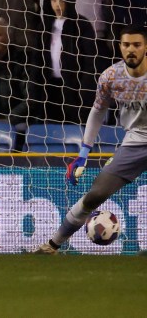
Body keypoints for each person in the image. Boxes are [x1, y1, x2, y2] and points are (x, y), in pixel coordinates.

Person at [34, 25, 147, 255]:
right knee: (95, 195)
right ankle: (52, 245)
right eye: (126, 45)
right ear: (120, 47)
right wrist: (83, 153)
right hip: (135, 141)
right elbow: (97, 112)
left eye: (137, 45)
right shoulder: (111, 77)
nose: (131, 50)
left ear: (146, 47)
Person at [32, 0, 98, 125]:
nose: (57, 4)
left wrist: (83, 94)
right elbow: (36, 61)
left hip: (73, 90)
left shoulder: (81, 25)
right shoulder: (44, 27)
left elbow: (89, 63)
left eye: (61, 0)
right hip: (49, 90)